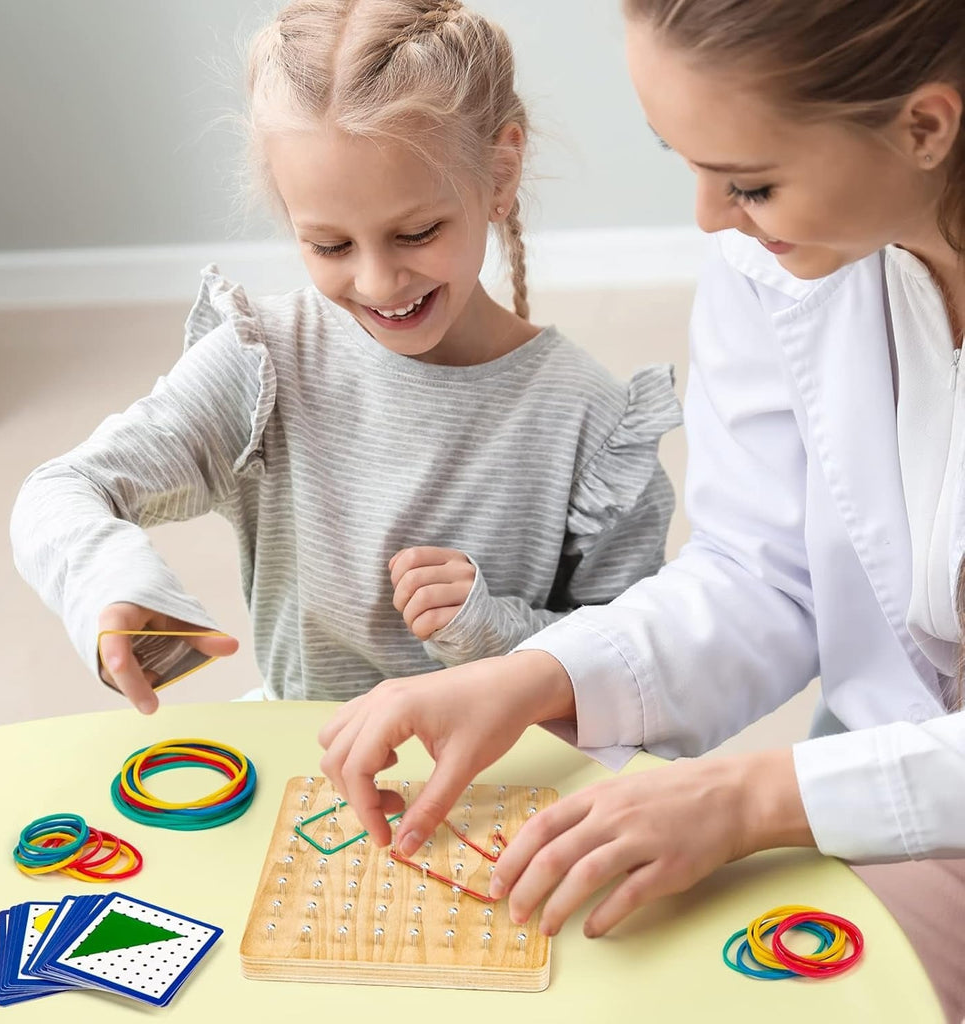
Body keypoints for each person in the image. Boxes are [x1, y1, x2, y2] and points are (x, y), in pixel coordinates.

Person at [317, 0, 965, 1017]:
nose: (708, 217)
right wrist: (534, 675)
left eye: (748, 180)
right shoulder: (776, 262)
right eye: (684, 158)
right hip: (900, 763)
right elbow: (761, 571)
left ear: (926, 127)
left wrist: (756, 796)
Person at [9, 0, 680, 716]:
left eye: (417, 232)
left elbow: (639, 667)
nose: (378, 282)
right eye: (330, 246)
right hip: (307, 770)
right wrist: (111, 581)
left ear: (502, 170)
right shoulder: (264, 364)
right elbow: (59, 490)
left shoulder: (594, 429)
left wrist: (490, 629)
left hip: (500, 791)